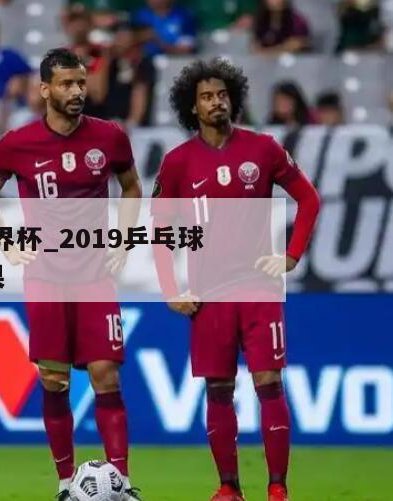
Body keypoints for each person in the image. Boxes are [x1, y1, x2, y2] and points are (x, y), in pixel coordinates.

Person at [0, 48, 143, 501]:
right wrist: (5, 241)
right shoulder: (17, 143)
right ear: (45, 90)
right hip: (46, 278)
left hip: (94, 276)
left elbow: (131, 188)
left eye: (81, 83)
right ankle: (67, 483)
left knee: (106, 374)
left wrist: (124, 239)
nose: (76, 91)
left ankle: (121, 483)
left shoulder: (110, 137)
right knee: (55, 381)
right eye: (67, 84)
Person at [154, 57, 320, 501]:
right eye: (207, 97)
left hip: (259, 289)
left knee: (269, 383)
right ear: (193, 107)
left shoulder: (263, 149)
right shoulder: (177, 163)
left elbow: (309, 199)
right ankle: (229, 487)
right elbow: (161, 232)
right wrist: (171, 291)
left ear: (233, 99)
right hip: (208, 294)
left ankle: (277, 487)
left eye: (222, 95)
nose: (216, 102)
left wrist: (290, 256)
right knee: (219, 390)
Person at [85, 21, 154, 125]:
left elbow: (139, 94)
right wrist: (105, 60)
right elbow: (98, 96)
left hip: (128, 124)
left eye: (124, 36)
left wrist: (131, 123)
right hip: (105, 121)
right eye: (118, 36)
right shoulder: (107, 61)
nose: (121, 41)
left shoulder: (141, 62)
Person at [132, 0, 197, 57]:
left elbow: (187, 49)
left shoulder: (184, 16)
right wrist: (140, 38)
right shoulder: (141, 15)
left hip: (175, 62)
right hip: (145, 62)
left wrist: (159, 43)